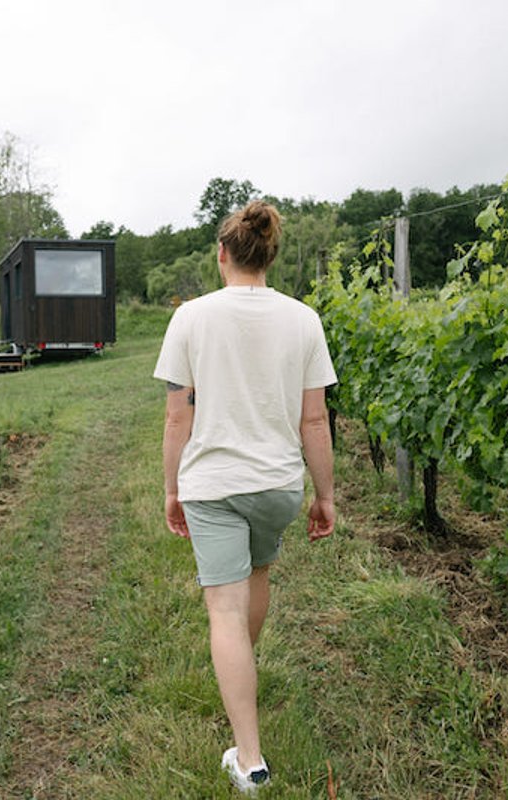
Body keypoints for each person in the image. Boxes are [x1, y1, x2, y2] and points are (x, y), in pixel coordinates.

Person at [153, 200, 337, 793]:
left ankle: (250, 760)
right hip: (278, 485)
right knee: (257, 575)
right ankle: (242, 673)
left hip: (214, 486)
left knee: (224, 611)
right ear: (270, 255)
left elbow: (177, 419)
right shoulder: (304, 319)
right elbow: (315, 422)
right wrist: (325, 495)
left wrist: (171, 488)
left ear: (222, 254)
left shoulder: (191, 318)